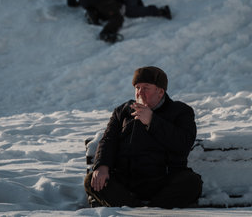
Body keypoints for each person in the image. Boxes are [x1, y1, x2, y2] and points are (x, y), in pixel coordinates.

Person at [84, 66, 203, 208]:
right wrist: (102, 166)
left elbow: (183, 144)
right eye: (137, 87)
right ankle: (140, 211)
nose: (140, 92)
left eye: (146, 87)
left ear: (160, 91)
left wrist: (152, 121)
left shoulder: (180, 111)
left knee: (192, 183)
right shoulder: (122, 112)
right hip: (126, 182)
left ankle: (149, 210)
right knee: (92, 180)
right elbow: (108, 140)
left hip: (162, 181)